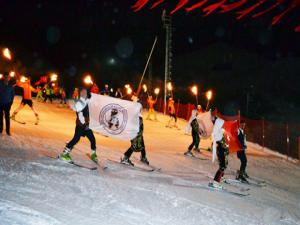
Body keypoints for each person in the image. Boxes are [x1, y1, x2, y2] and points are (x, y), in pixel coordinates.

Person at [59, 88, 98, 163]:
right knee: (76, 139)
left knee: (92, 139)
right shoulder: (80, 102)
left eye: (85, 92)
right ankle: (64, 154)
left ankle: (93, 154)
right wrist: (83, 123)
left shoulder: (87, 100)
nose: (83, 93)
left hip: (86, 125)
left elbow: (94, 103)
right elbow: (79, 113)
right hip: (81, 125)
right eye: (82, 92)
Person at [210, 117, 229, 189]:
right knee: (222, 166)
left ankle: (220, 177)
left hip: (223, 150)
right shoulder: (218, 133)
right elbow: (222, 142)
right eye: (222, 124)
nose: (223, 125)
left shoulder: (220, 131)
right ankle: (216, 182)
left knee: (224, 165)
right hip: (221, 150)